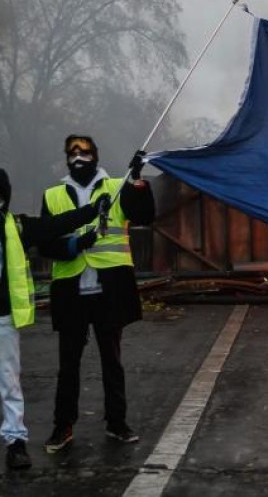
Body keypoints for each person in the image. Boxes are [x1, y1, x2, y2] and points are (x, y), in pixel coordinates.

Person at [40, 136, 154, 453]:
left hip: (109, 288)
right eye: (72, 152)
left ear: (95, 155)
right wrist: (76, 244)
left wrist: (137, 181)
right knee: (68, 364)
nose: (79, 156)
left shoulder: (117, 186)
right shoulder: (52, 195)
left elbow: (144, 216)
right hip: (71, 289)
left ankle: (117, 423)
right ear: (66, 158)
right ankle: (63, 426)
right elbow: (46, 242)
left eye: (85, 151)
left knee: (112, 361)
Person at [0, 168, 107, 469]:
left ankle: (15, 442)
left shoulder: (17, 227)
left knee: (8, 383)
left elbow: (56, 224)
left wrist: (90, 210)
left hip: (3, 318)